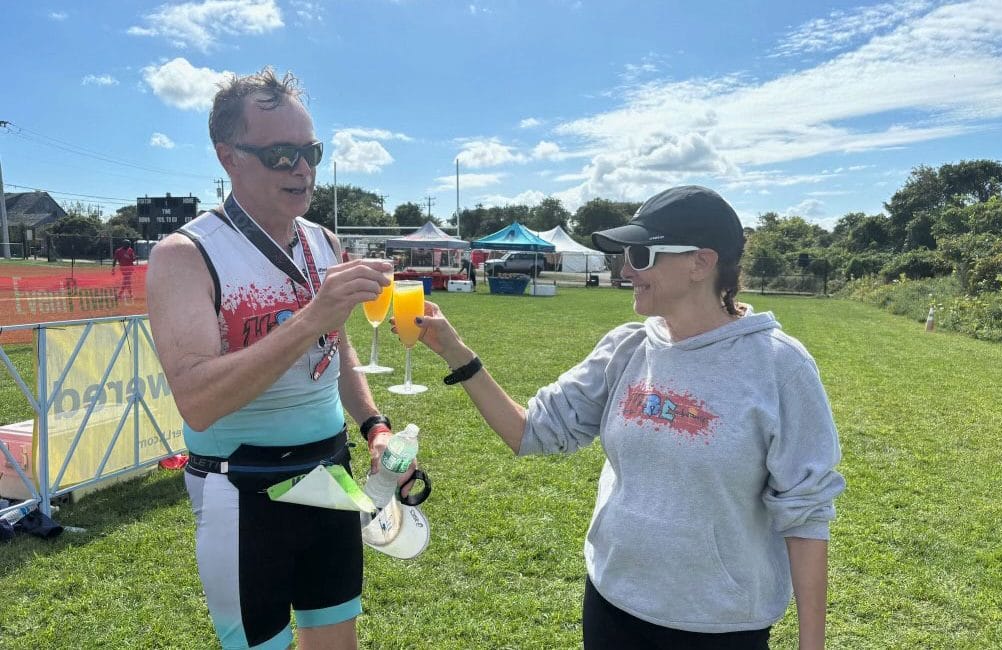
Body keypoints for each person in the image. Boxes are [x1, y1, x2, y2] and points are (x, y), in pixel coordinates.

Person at [412, 186, 845, 650]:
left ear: (701, 263)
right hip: (611, 605)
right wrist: (456, 353)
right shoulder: (627, 348)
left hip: (720, 627)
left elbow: (806, 516)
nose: (625, 270)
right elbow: (530, 431)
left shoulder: (779, 366)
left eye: (641, 255)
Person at [147, 67, 405, 650]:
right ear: (228, 158)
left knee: (337, 642)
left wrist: (375, 426)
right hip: (242, 489)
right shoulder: (185, 254)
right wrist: (311, 316)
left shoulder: (323, 241)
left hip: (329, 470)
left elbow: (336, 349)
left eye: (311, 151)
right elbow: (198, 400)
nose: (302, 169)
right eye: (281, 154)